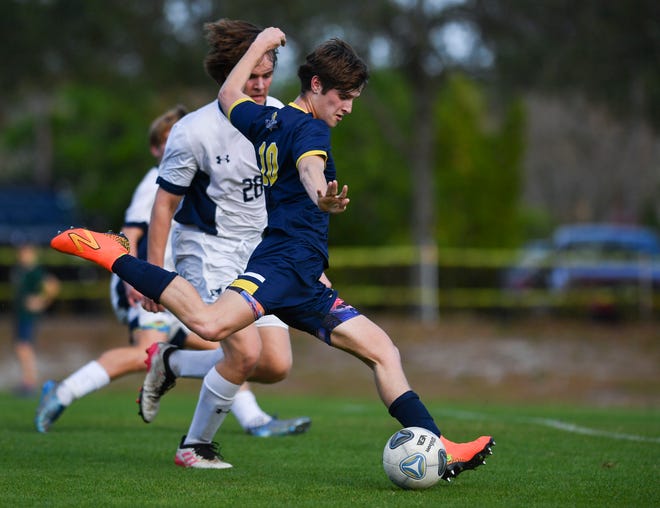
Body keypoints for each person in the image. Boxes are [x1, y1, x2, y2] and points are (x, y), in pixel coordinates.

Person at [50, 27, 494, 481]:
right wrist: (320, 194)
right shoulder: (309, 130)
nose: (348, 108)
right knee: (207, 323)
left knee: (382, 351)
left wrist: (262, 43)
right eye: (343, 96)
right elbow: (309, 166)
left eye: (354, 99)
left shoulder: (268, 120)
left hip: (305, 279)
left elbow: (228, 92)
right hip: (279, 266)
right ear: (317, 86)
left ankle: (440, 446)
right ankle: (114, 254)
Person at [36, 105, 308, 437]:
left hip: (183, 282)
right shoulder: (155, 181)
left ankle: (253, 419)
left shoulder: (203, 170)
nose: (174, 144)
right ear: (155, 148)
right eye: (166, 140)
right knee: (145, 354)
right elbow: (131, 232)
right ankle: (62, 392)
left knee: (230, 349)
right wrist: (134, 280)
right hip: (147, 280)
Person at [138, 19, 310, 443]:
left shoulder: (279, 122)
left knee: (275, 365)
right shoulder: (194, 131)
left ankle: (171, 363)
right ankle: (195, 446)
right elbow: (164, 205)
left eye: (267, 75)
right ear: (228, 75)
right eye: (250, 75)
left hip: (260, 253)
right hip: (207, 249)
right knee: (245, 353)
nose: (259, 84)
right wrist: (153, 273)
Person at [10, 240, 60, 397]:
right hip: (20, 314)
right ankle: (27, 381)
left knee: (24, 347)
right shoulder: (21, 269)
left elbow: (53, 285)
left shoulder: (36, 271)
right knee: (21, 347)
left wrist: (42, 301)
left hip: (28, 316)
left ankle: (29, 382)